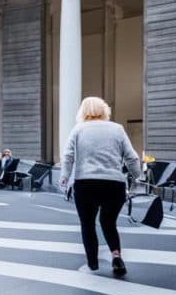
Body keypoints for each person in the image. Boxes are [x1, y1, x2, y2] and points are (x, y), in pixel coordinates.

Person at [60, 96, 141, 277]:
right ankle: (116, 256)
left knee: (87, 224)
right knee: (108, 222)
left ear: (83, 111)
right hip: (114, 184)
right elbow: (131, 157)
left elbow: (68, 156)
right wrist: (138, 176)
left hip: (86, 183)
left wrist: (64, 177)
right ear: (105, 110)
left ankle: (93, 263)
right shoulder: (117, 129)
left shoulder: (78, 129)